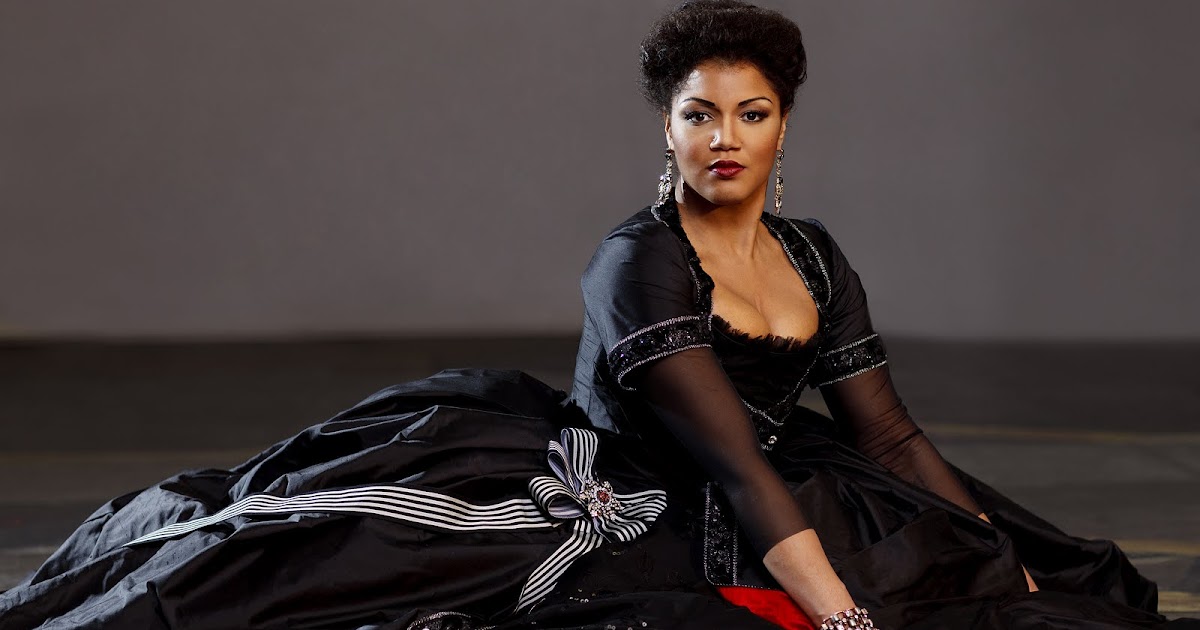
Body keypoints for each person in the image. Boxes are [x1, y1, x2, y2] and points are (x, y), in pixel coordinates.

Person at [2, 1, 1196, 629]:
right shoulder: (639, 261)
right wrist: (839, 620)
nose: (724, 138)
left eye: (750, 114)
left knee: (1037, 589)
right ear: (666, 127)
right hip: (617, 485)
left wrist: (995, 550)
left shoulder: (814, 255)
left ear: (784, 125)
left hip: (782, 481)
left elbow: (886, 433)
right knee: (290, 557)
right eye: (699, 114)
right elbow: (727, 462)